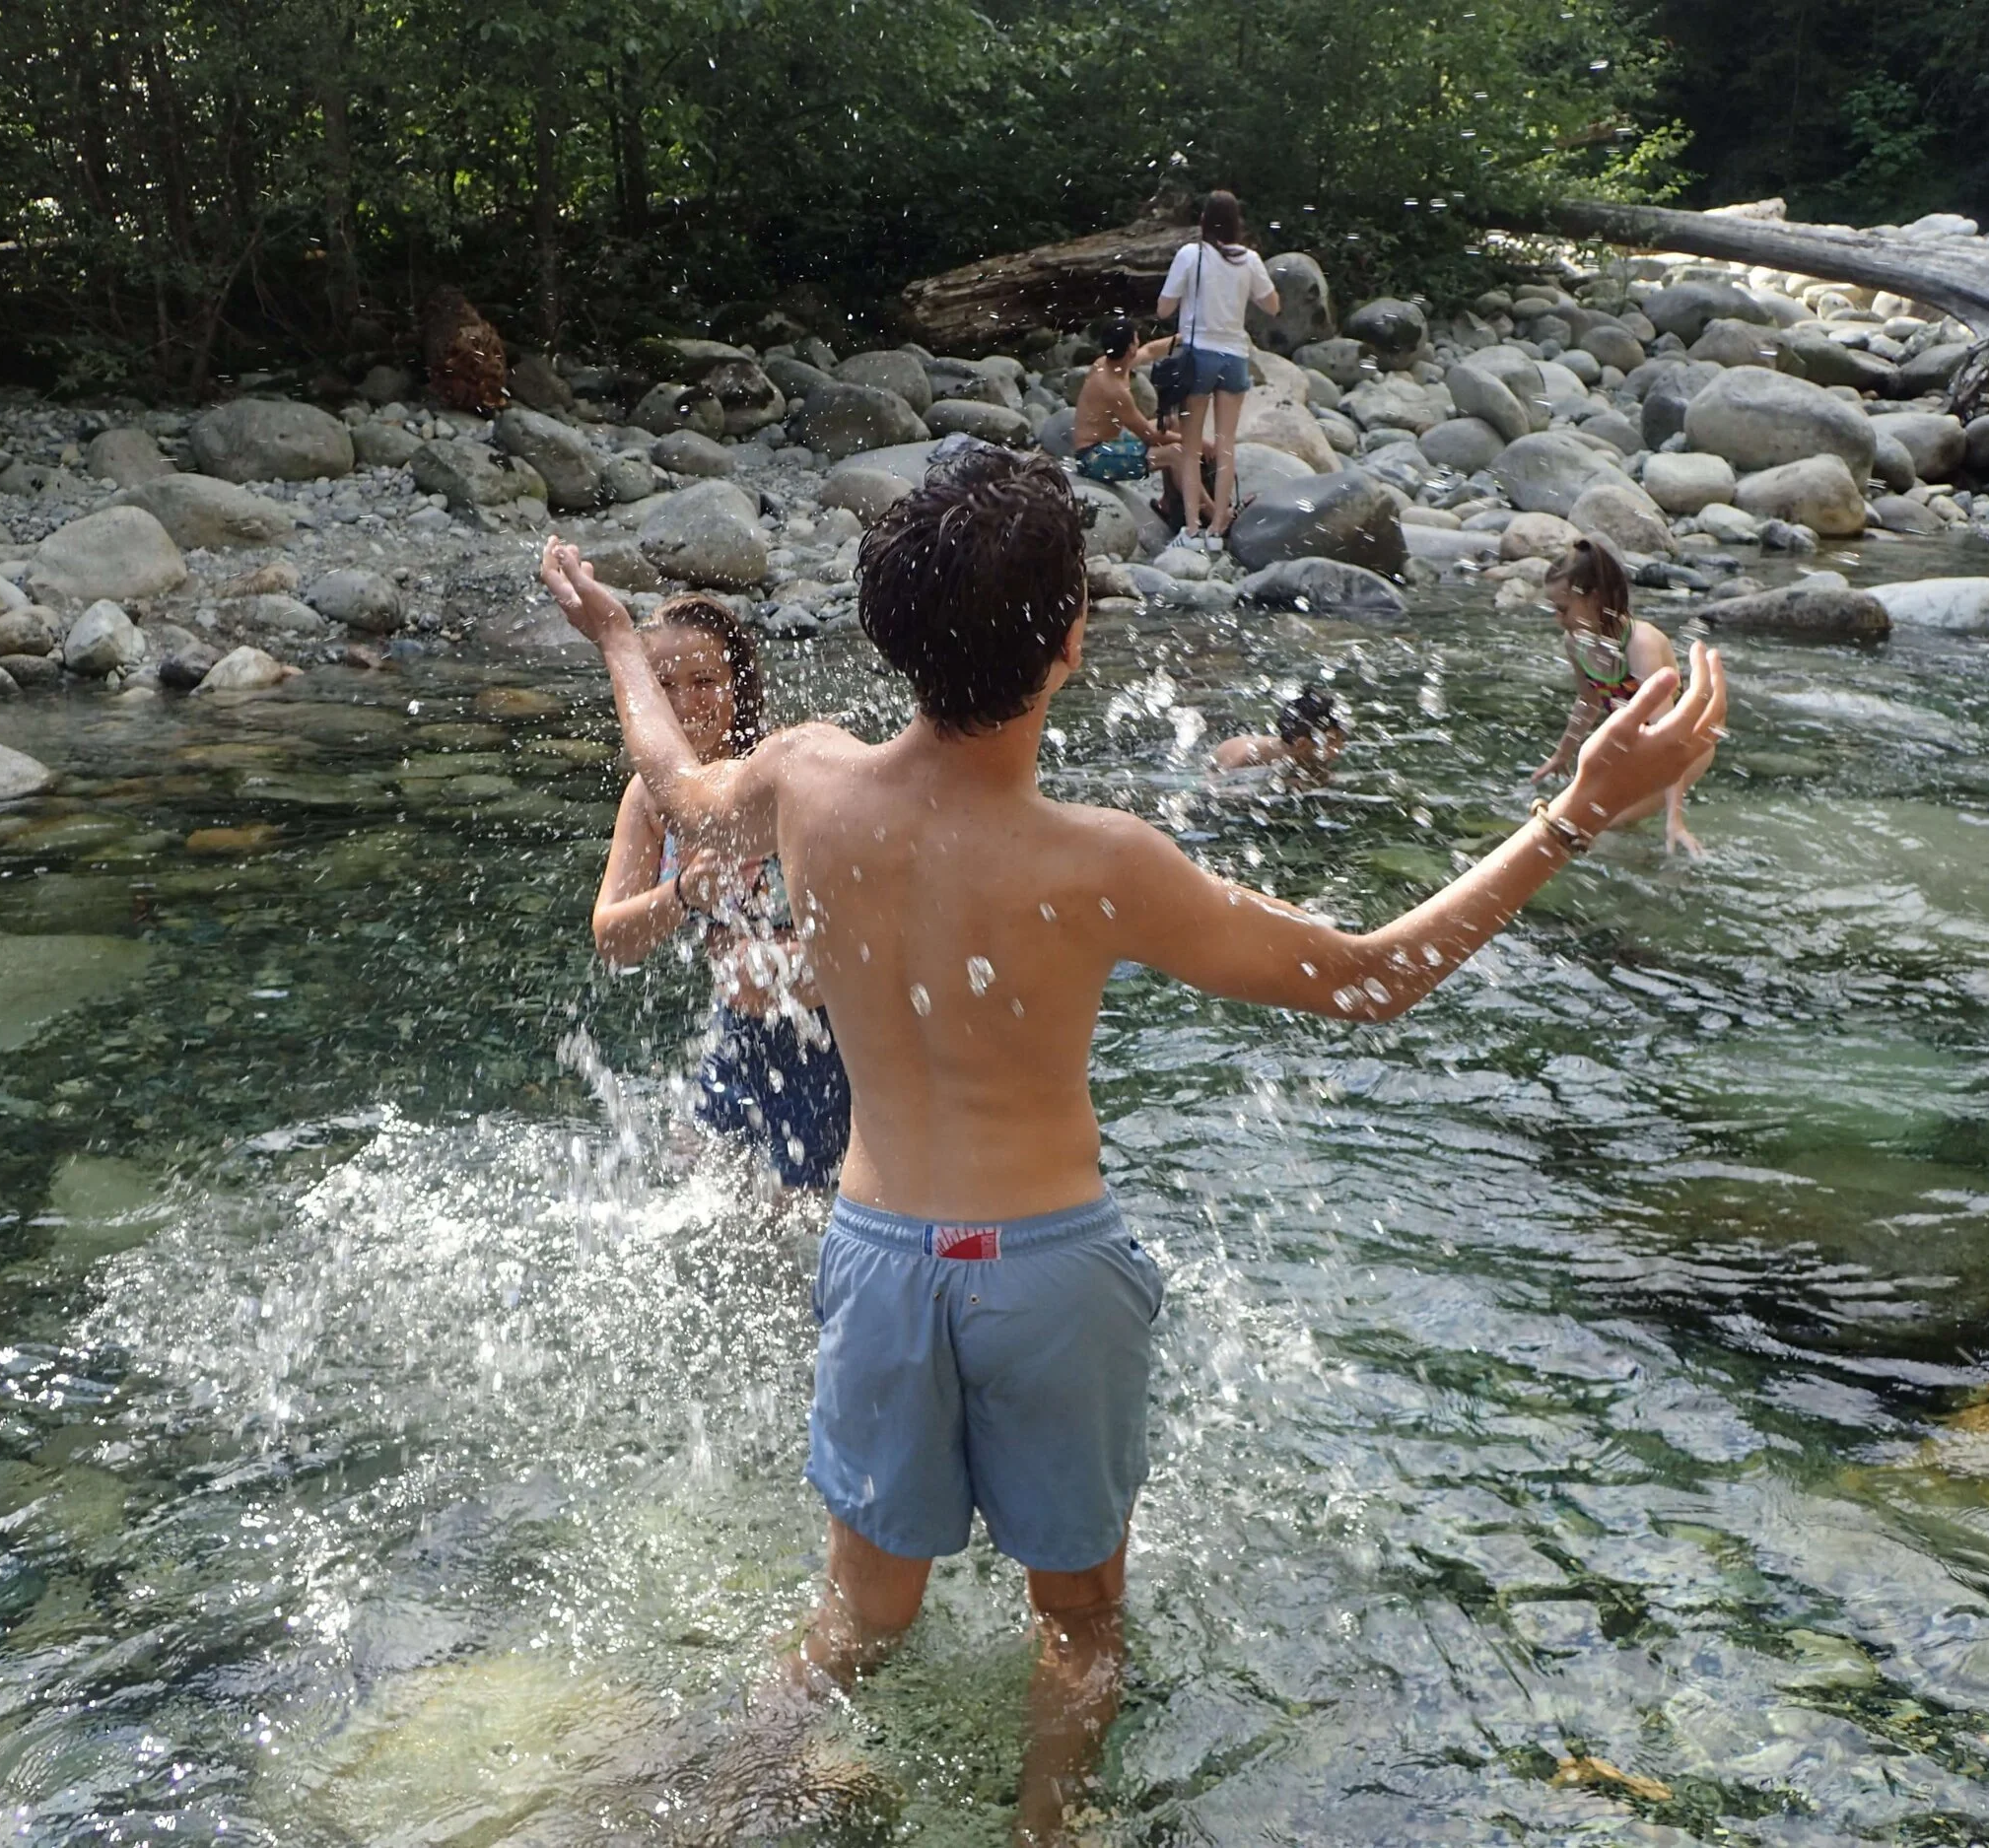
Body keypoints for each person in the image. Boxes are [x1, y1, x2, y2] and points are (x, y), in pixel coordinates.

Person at [537, 448, 1725, 1843]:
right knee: (1083, 1623)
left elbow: (670, 775)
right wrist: (1575, 809)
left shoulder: (804, 782)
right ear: (1072, 640)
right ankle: (1050, 1829)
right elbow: (1372, 974)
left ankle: (715, 1805)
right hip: (1044, 1271)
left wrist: (617, 633)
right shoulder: (1103, 859)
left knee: (858, 1616)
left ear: (889, 633)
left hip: (875, 1255)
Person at [589, 593, 851, 1190]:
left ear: (740, 684)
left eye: (705, 680)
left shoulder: (784, 774)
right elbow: (612, 939)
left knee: (802, 1229)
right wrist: (684, 891)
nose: (685, 702)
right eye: (664, 685)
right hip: (736, 1038)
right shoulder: (651, 799)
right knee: (700, 1206)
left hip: (832, 1039)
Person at [1529, 538, 1714, 856]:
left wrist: (1676, 820)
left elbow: (1672, 739)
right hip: (1641, 746)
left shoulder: (1640, 647)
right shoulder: (1576, 644)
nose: (1557, 619)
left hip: (1690, 748)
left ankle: (1660, 859)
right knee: (1578, 817)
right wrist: (1562, 755)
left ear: (1595, 599)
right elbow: (1588, 700)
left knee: (1601, 822)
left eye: (1563, 609)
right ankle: (1643, 850)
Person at [1156, 190, 1277, 555]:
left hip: (1198, 357)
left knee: (1191, 446)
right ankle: (1219, 525)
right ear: (1237, 223)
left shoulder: (1190, 255)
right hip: (1234, 356)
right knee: (1226, 445)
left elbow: (1164, 310)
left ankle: (1193, 528)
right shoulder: (1250, 260)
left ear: (1203, 221)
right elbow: (1272, 305)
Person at [1070, 312, 1172, 482]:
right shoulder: (1114, 390)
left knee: (1171, 424)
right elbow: (1151, 436)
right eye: (1136, 338)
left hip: (1110, 441)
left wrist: (1180, 339)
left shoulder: (1110, 363)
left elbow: (1150, 351)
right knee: (1176, 452)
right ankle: (1212, 509)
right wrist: (1197, 443)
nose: (1139, 342)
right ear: (1131, 348)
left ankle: (1170, 501)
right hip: (1092, 458)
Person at [1211, 685, 1346, 774]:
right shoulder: (1247, 757)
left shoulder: (1305, 756)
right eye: (1332, 741)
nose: (1341, 746)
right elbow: (1215, 787)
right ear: (1301, 744)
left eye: (1342, 739)